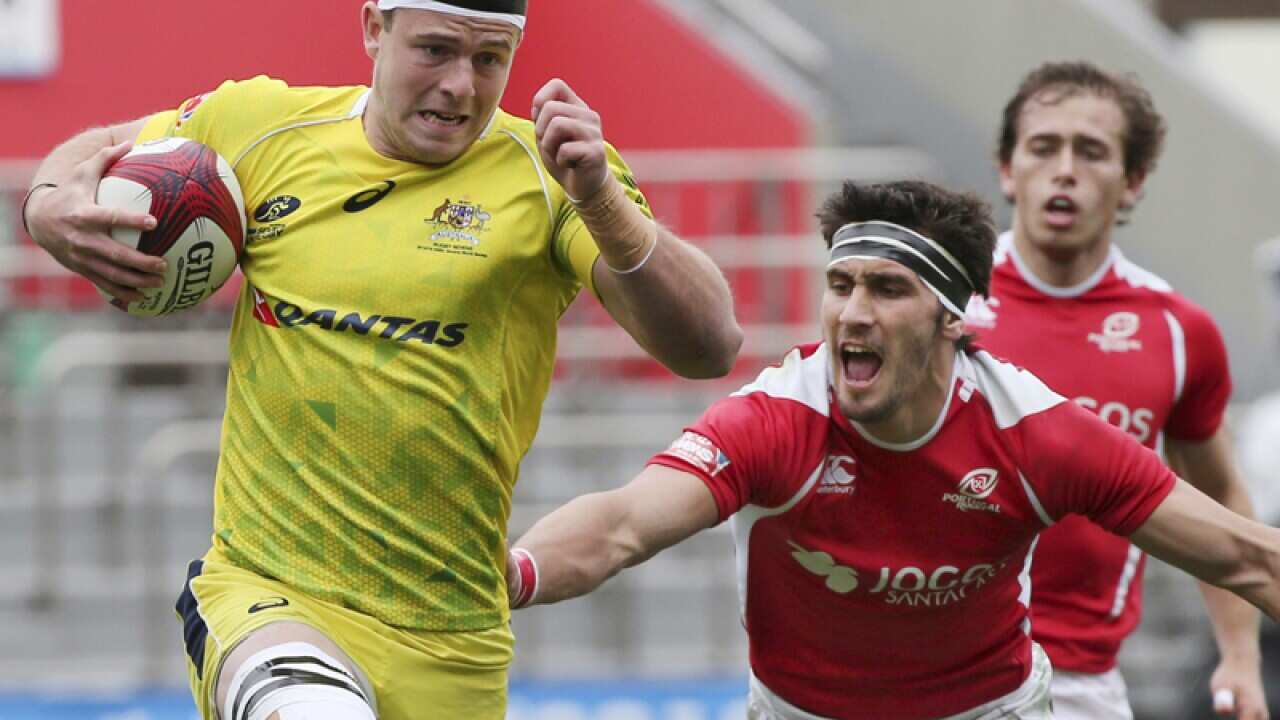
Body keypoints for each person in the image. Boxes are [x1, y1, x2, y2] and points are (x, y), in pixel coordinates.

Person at [19, 2, 743, 719]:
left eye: (489, 59)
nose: (461, 84)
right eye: (435, 50)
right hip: (269, 595)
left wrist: (604, 202)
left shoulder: (552, 177)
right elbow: (105, 145)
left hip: (450, 640)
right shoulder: (261, 124)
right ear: (373, 28)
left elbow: (710, 345)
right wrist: (48, 203)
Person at [505, 179, 1280, 720]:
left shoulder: (1035, 431)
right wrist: (514, 574)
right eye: (841, 285)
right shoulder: (780, 417)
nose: (853, 313)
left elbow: (1248, 558)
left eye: (888, 288)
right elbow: (622, 525)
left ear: (954, 321)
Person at [970, 61, 1266, 720]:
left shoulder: (1178, 331)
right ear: (1007, 170)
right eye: (1044, 147)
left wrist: (1240, 657)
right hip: (938, 673)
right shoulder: (941, 307)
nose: (1065, 169)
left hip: (1082, 685)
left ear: (1132, 183)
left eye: (1092, 151)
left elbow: (1217, 496)